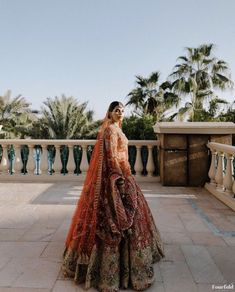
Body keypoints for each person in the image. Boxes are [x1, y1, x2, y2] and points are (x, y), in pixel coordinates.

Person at [62, 101, 165, 291]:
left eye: (123, 110)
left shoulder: (117, 129)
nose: (121, 113)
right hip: (117, 177)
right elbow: (110, 156)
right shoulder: (110, 130)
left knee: (136, 216)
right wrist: (119, 180)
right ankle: (111, 270)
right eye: (117, 110)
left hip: (125, 173)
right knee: (114, 219)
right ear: (110, 112)